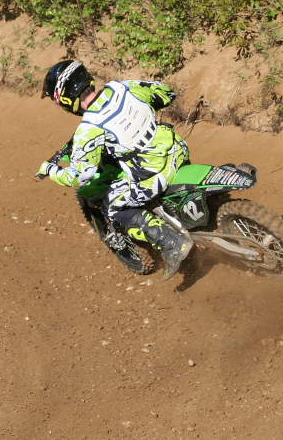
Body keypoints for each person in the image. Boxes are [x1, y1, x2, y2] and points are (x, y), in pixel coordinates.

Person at [36, 60, 193, 278]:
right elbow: (166, 93)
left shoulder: (88, 129)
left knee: (114, 207)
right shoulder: (122, 87)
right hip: (178, 149)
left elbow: (80, 176)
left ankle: (172, 243)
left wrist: (50, 170)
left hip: (152, 174)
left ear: (65, 98)